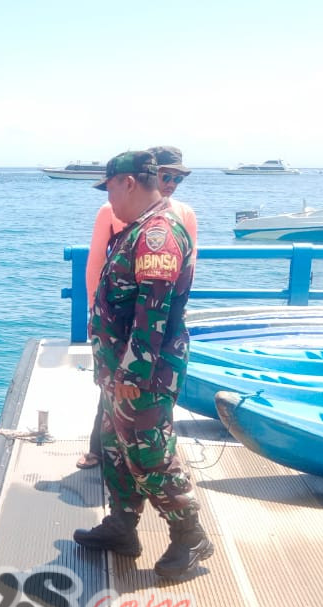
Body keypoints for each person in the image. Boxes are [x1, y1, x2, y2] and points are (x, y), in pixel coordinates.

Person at [73, 151, 213, 579]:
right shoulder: (135, 231)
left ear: (128, 182)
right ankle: (121, 526)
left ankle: (190, 535)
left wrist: (133, 372)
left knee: (150, 453)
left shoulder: (157, 235)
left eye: (110, 187)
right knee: (116, 450)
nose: (108, 198)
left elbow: (153, 311)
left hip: (143, 373)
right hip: (120, 371)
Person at [76, 145, 197, 470]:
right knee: (110, 406)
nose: (171, 183)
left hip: (146, 342)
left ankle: (176, 508)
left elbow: (163, 295)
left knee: (147, 434)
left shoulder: (173, 220)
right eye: (165, 175)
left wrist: (134, 366)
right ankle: (111, 474)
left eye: (177, 178)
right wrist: (97, 319)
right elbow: (96, 266)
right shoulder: (115, 212)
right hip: (116, 335)